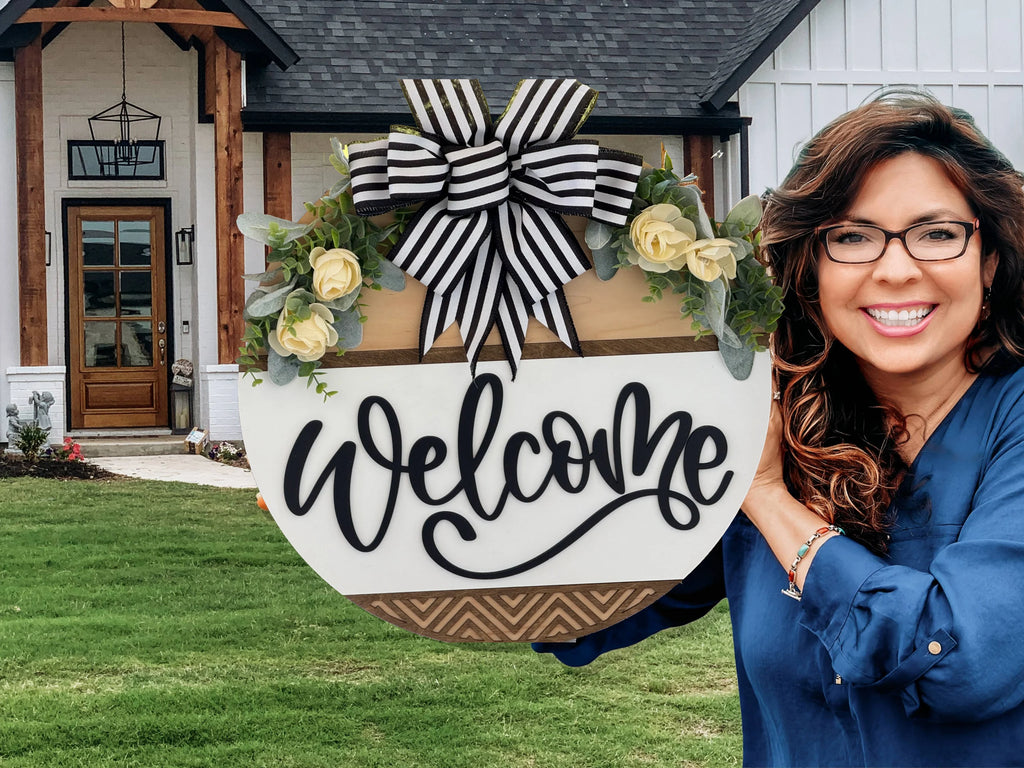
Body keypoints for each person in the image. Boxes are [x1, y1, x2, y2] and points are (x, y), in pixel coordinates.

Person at [534, 91, 1024, 767]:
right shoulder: (774, 421)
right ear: (810, 269)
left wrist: (767, 498)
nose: (895, 269)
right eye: (851, 237)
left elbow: (963, 663)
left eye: (937, 234)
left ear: (989, 260)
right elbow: (585, 606)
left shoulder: (1008, 423)